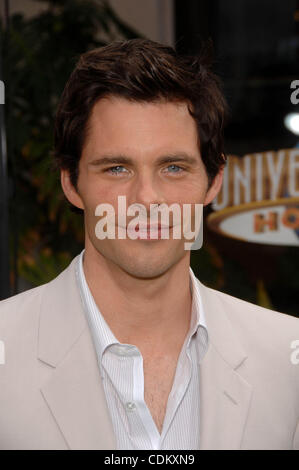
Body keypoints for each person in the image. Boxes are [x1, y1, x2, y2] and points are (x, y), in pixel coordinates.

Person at [0, 38, 298, 450]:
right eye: (117, 168)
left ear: (213, 181)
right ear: (71, 182)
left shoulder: (287, 359)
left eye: (173, 167)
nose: (146, 199)